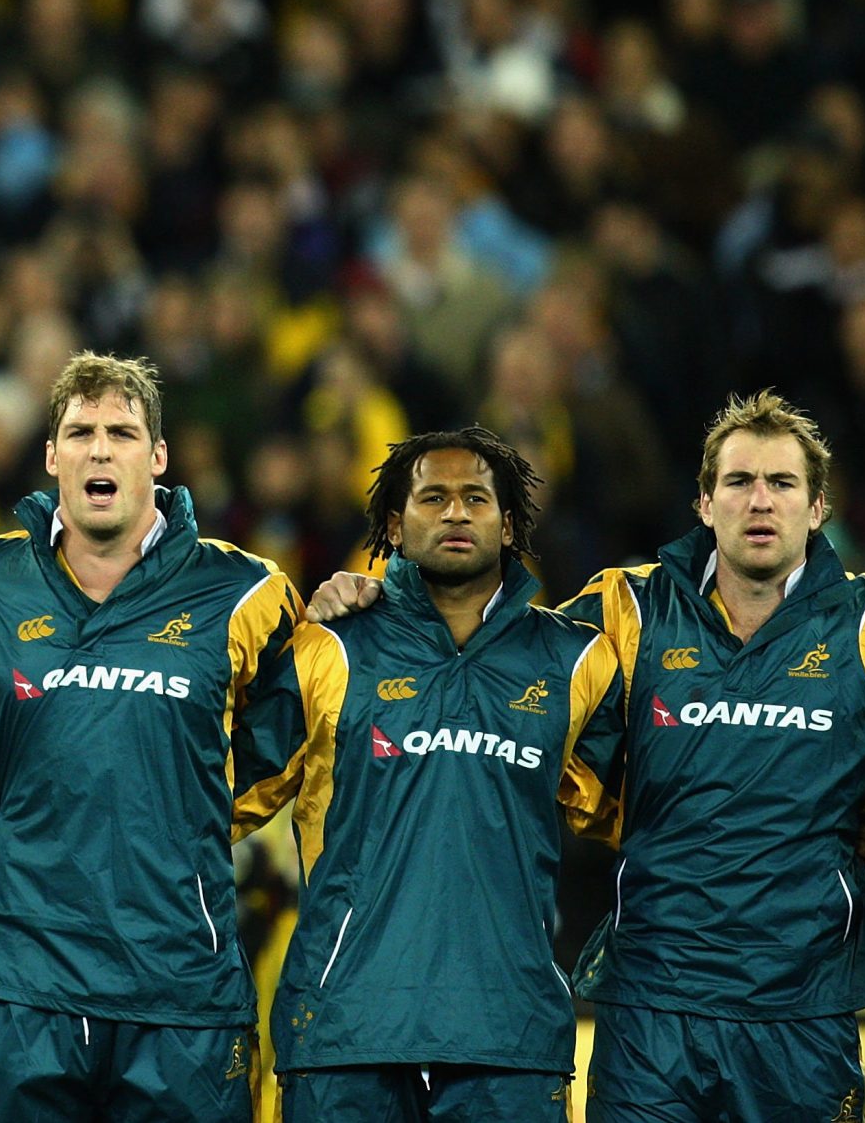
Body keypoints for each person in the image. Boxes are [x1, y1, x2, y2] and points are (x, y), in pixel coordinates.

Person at [307, 392, 865, 1122]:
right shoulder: (628, 609)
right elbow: (492, 650)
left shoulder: (861, 627)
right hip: (652, 1010)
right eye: (738, 482)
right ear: (704, 501)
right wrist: (385, 598)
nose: (759, 501)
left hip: (803, 1006)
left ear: (819, 505)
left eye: (782, 483)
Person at [0, 351, 302, 1122]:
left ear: (158, 457)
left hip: (178, 987)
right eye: (80, 431)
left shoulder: (248, 593)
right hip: (16, 983)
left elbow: (286, 743)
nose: (100, 448)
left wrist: (181, 814)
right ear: (52, 455)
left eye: (123, 432)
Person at [262, 428, 624, 1120]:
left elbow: (651, 812)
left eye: (475, 498)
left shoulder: (577, 662)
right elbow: (222, 792)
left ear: (509, 522)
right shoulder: (326, 644)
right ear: (395, 525)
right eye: (433, 497)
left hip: (508, 1033)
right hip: (345, 1027)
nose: (456, 513)